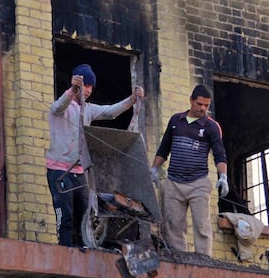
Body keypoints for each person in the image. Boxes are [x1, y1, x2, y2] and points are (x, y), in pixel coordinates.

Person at [46, 64, 144, 247]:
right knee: (65, 214)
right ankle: (65, 249)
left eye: (91, 86)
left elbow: (110, 112)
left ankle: (83, 249)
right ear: (76, 84)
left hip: (79, 171)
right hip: (59, 171)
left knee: (85, 215)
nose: (89, 90)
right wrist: (72, 89)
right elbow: (59, 106)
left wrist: (132, 100)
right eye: (86, 85)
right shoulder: (61, 107)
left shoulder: (88, 109)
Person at [150, 85, 228, 256]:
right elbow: (164, 148)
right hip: (174, 183)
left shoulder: (211, 127)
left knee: (202, 226)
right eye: (200, 104)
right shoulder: (175, 121)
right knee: (172, 225)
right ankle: (179, 259)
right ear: (191, 100)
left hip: (198, 183)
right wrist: (154, 169)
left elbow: (219, 154)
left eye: (206, 106)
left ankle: (204, 261)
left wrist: (223, 176)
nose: (203, 109)